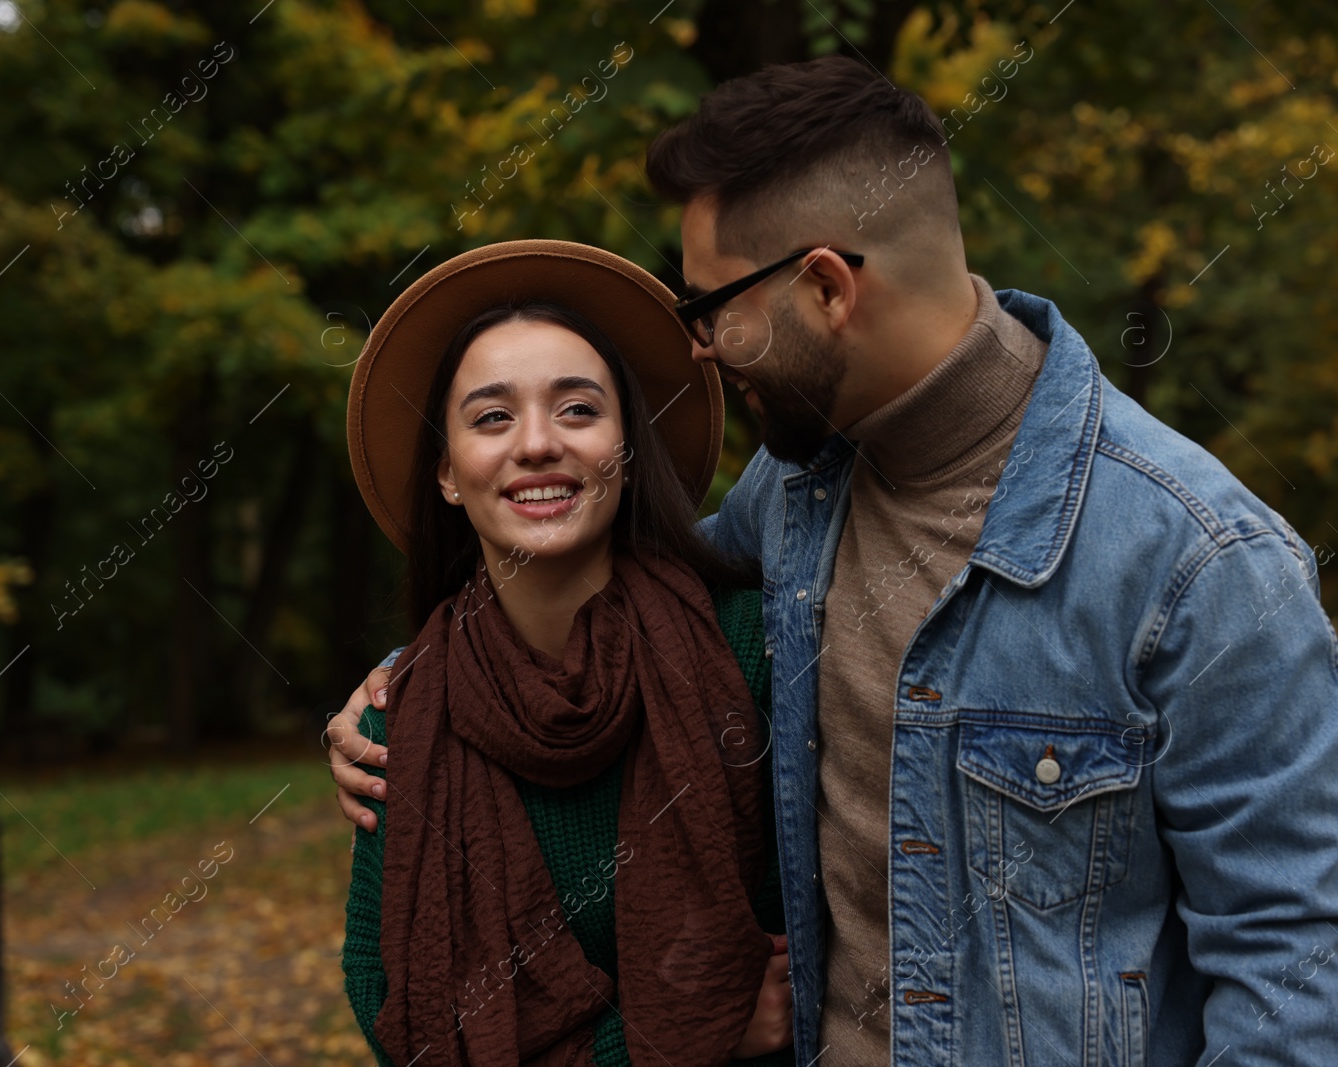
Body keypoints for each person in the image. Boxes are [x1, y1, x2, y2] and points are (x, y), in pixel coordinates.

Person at [331, 57, 1338, 1064]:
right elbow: (603, 605)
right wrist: (411, 690)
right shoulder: (796, 489)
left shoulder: (1201, 564)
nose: (699, 350)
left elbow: (1295, 969)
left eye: (709, 309)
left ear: (823, 286)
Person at [338, 239, 797, 1066]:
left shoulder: (749, 649)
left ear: (626, 448)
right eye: (491, 416)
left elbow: (820, 939)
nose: (538, 443)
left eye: (579, 409)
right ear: (447, 472)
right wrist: (686, 1037)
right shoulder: (397, 716)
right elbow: (396, 1009)